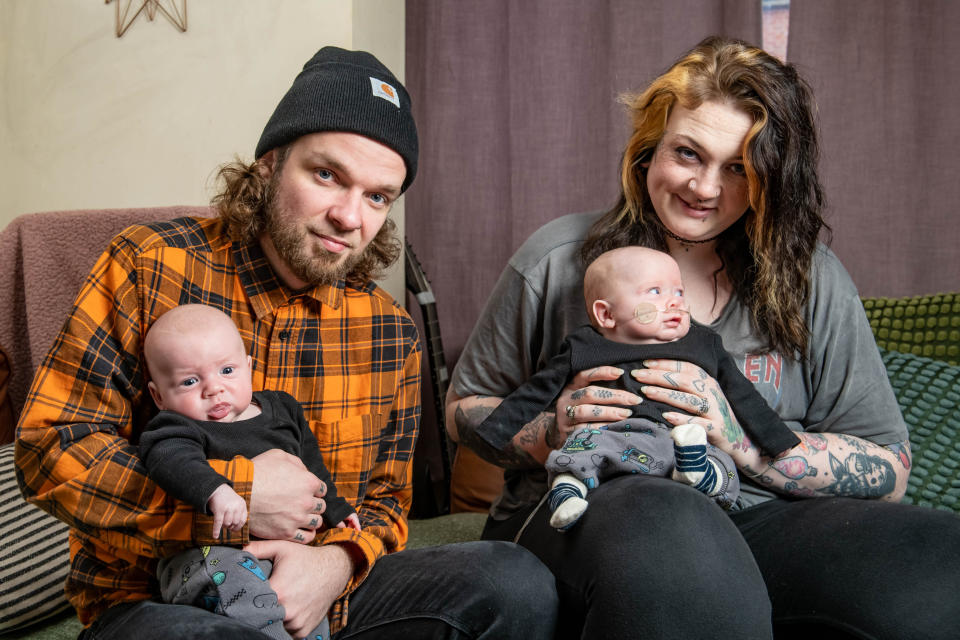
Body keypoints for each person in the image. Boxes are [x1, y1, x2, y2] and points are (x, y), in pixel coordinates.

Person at [16, 46, 557, 640]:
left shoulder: (388, 330)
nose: (350, 217)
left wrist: (334, 564)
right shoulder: (148, 265)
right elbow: (52, 450)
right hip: (163, 599)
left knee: (517, 580)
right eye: (327, 175)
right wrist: (237, 499)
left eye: (378, 197)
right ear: (270, 164)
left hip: (325, 596)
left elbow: (385, 504)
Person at [447, 36, 960, 639]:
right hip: (585, 508)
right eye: (688, 154)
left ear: (772, 178)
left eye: (739, 168)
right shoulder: (559, 260)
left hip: (752, 516)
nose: (706, 188)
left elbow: (890, 469)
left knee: (941, 560)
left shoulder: (811, 278)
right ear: (649, 150)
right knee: (672, 531)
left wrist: (739, 440)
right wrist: (550, 430)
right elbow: (461, 410)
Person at [480, 246, 804, 529]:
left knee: (723, 463)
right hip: (613, 441)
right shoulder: (585, 346)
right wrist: (496, 429)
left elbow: (744, 395)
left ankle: (699, 473)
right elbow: (536, 391)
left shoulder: (705, 344)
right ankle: (569, 497)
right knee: (577, 450)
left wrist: (777, 441)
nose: (675, 303)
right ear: (606, 314)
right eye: (655, 292)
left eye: (679, 292)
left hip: (680, 444)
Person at [140, 304, 359, 640]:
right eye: (189, 381)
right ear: (159, 396)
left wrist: (338, 510)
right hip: (206, 559)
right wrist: (218, 490)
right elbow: (169, 461)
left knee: (309, 613)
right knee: (240, 594)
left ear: (249, 368)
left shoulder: (282, 409)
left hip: (289, 557)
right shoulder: (178, 427)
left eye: (227, 370)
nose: (213, 389)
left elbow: (313, 469)